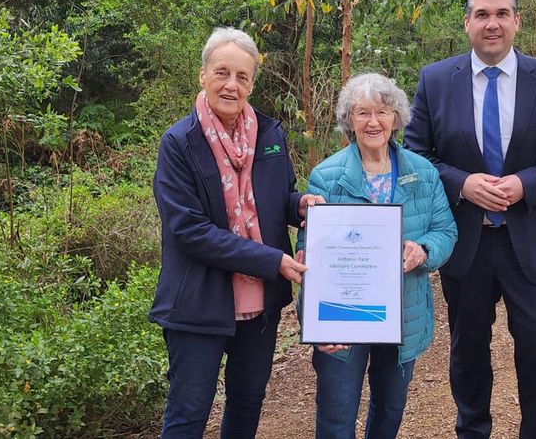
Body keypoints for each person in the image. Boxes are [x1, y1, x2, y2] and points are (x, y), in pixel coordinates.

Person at [404, 0, 536, 439]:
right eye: (482, 14)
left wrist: (526, 184)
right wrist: (462, 183)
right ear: (467, 22)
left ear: (517, 21)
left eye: (502, 14)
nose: (493, 24)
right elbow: (416, 156)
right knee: (468, 349)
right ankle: (473, 430)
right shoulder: (434, 81)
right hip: (465, 242)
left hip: (532, 241)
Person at [149, 27, 322, 438]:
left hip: (259, 306)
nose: (232, 84)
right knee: (189, 414)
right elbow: (189, 230)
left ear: (252, 83)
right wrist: (271, 260)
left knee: (246, 408)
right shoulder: (178, 143)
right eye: (222, 72)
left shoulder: (270, 134)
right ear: (203, 76)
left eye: (242, 76)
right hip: (198, 303)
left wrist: (299, 206)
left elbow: (275, 197)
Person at [298, 73, 458, 439]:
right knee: (336, 416)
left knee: (389, 411)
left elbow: (446, 231)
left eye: (383, 112)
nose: (373, 122)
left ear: (396, 118)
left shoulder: (423, 172)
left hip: (403, 312)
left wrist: (424, 250)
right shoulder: (326, 176)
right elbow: (309, 253)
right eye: (363, 113)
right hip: (342, 318)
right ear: (349, 120)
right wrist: (315, 322)